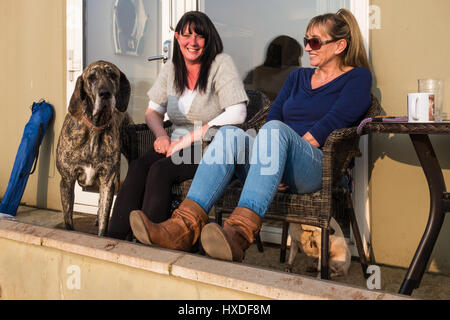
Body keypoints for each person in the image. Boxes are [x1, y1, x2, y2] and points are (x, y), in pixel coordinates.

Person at [129, 8, 372, 262]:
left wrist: (272, 160)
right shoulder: (297, 77)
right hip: (273, 159)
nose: (308, 48)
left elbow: (331, 124)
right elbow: (275, 114)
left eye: (314, 42)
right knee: (229, 135)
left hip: (314, 166)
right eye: (305, 41)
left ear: (339, 46)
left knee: (274, 131)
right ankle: (183, 228)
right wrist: (270, 162)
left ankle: (239, 234)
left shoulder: (357, 78)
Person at [108, 11, 248, 241]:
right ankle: (115, 239)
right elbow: (153, 111)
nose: (192, 42)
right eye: (186, 35)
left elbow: (238, 112)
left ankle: (155, 240)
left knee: (160, 170)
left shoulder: (221, 65)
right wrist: (161, 136)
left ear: (209, 39)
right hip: (176, 142)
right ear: (177, 38)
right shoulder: (173, 69)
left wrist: (186, 139)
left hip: (210, 147)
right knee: (138, 167)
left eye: (199, 36)